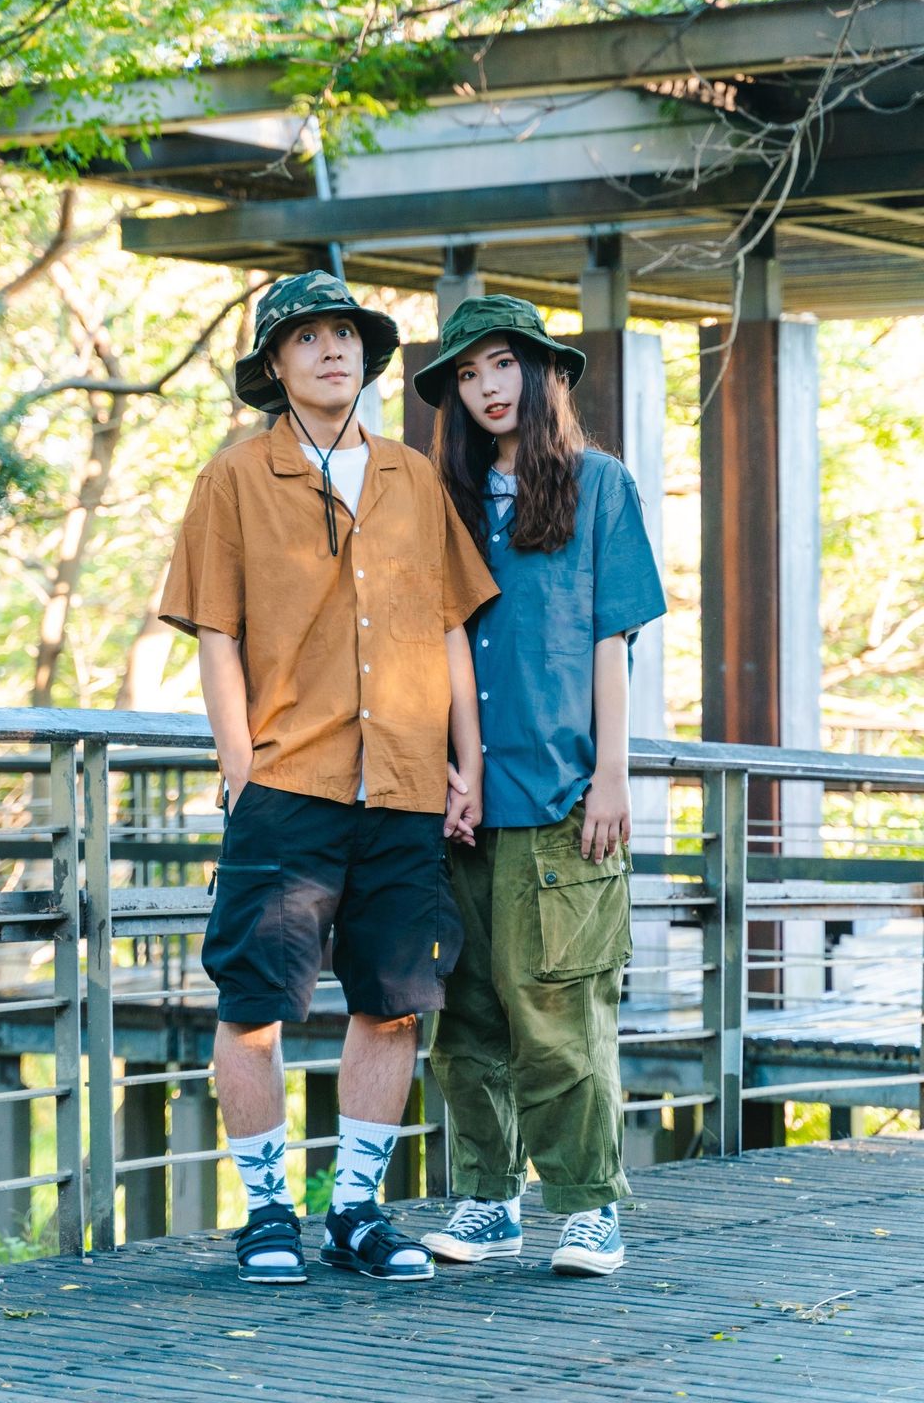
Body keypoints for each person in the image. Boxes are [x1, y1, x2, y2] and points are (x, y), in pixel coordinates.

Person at [159, 272, 497, 1285]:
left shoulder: (411, 477)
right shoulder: (233, 478)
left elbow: (449, 626)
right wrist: (240, 768)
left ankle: (356, 1213)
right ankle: (268, 1213)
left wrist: (467, 764)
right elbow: (216, 635)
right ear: (275, 365)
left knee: (393, 1003)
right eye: (306, 338)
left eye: (344, 333)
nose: (332, 349)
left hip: (402, 783)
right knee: (253, 1003)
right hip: (287, 784)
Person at [412, 295, 666, 1277]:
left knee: (558, 1015)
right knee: (466, 1018)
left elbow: (611, 641)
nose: (486, 388)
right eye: (467, 374)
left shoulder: (601, 486)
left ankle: (589, 1206)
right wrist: (448, 770)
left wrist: (612, 777)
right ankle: (488, 1200)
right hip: (463, 805)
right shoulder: (448, 502)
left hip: (563, 798)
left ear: (543, 371)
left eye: (502, 364)